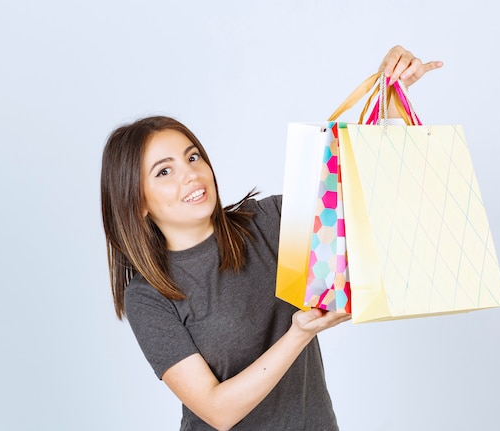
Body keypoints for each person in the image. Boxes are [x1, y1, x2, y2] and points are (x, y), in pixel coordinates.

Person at [100, 45, 442, 431]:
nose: (191, 175)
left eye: (193, 157)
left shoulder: (270, 221)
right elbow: (217, 411)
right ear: (137, 201)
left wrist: (388, 103)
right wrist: (298, 334)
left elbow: (365, 192)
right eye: (164, 172)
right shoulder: (149, 296)